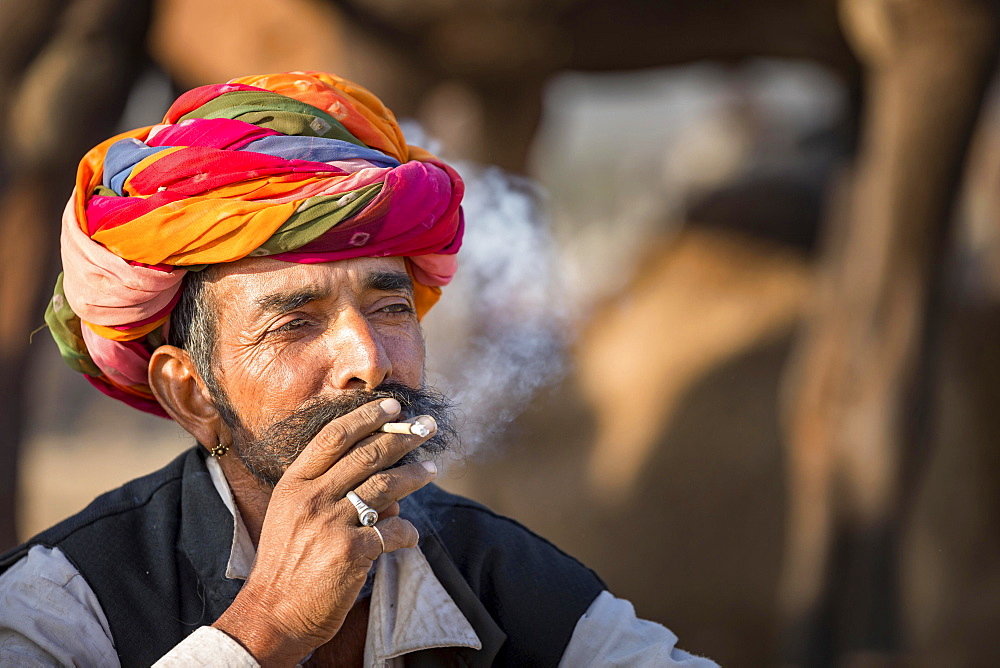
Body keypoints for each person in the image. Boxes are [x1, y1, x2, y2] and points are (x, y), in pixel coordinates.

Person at [0, 71, 716, 667]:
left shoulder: (500, 574)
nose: (369, 361)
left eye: (391, 309)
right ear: (190, 391)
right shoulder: (61, 604)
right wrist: (267, 625)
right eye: (296, 322)